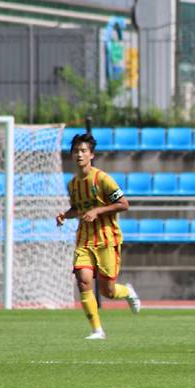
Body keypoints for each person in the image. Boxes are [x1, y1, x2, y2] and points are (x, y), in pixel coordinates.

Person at [56, 133, 141, 340]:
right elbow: (79, 209)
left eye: (83, 150)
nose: (79, 154)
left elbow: (124, 204)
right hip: (84, 240)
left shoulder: (102, 179)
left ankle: (127, 292)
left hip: (107, 240)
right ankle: (97, 330)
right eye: (76, 151)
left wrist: (98, 211)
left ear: (91, 155)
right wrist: (65, 215)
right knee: (83, 280)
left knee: (108, 291)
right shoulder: (73, 184)